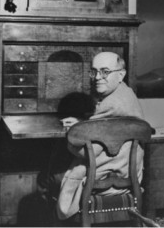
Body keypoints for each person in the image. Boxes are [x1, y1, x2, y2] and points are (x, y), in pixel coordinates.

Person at [37, 51, 144, 223]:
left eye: (105, 71)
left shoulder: (112, 105)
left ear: (121, 74)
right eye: (94, 71)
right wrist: (82, 123)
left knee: (47, 177)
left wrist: (76, 131)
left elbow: (87, 153)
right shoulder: (125, 94)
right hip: (124, 172)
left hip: (109, 178)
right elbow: (105, 129)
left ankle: (59, 222)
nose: (97, 77)